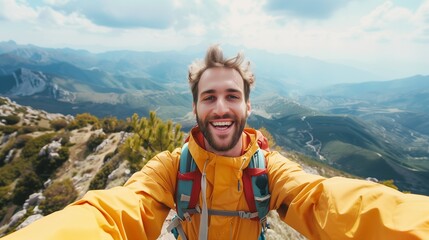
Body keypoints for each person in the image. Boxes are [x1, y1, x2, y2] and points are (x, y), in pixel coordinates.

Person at [2, 45, 429, 240]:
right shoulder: (169, 168)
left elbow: (328, 202)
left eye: (231, 96)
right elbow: (116, 212)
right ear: (195, 108)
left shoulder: (269, 169)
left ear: (247, 106)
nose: (220, 108)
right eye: (209, 97)